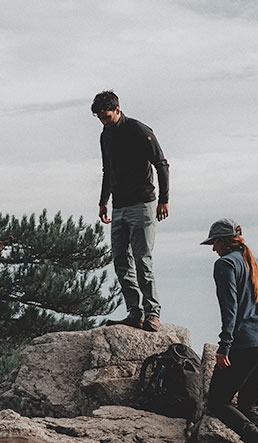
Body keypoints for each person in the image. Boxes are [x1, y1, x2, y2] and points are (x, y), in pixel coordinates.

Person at [202, 218, 258, 443]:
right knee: (249, 406)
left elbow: (230, 309)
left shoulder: (225, 264)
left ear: (224, 241)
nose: (213, 248)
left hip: (245, 345)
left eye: (214, 242)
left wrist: (224, 345)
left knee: (217, 401)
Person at [92, 90, 169, 332]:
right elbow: (108, 170)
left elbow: (161, 164)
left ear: (117, 109)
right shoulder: (105, 135)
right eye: (100, 118)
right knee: (120, 261)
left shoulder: (139, 130)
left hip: (143, 203)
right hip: (119, 206)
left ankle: (152, 313)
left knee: (142, 259)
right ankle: (135, 312)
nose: (103, 121)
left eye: (106, 116)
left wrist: (163, 200)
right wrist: (103, 201)